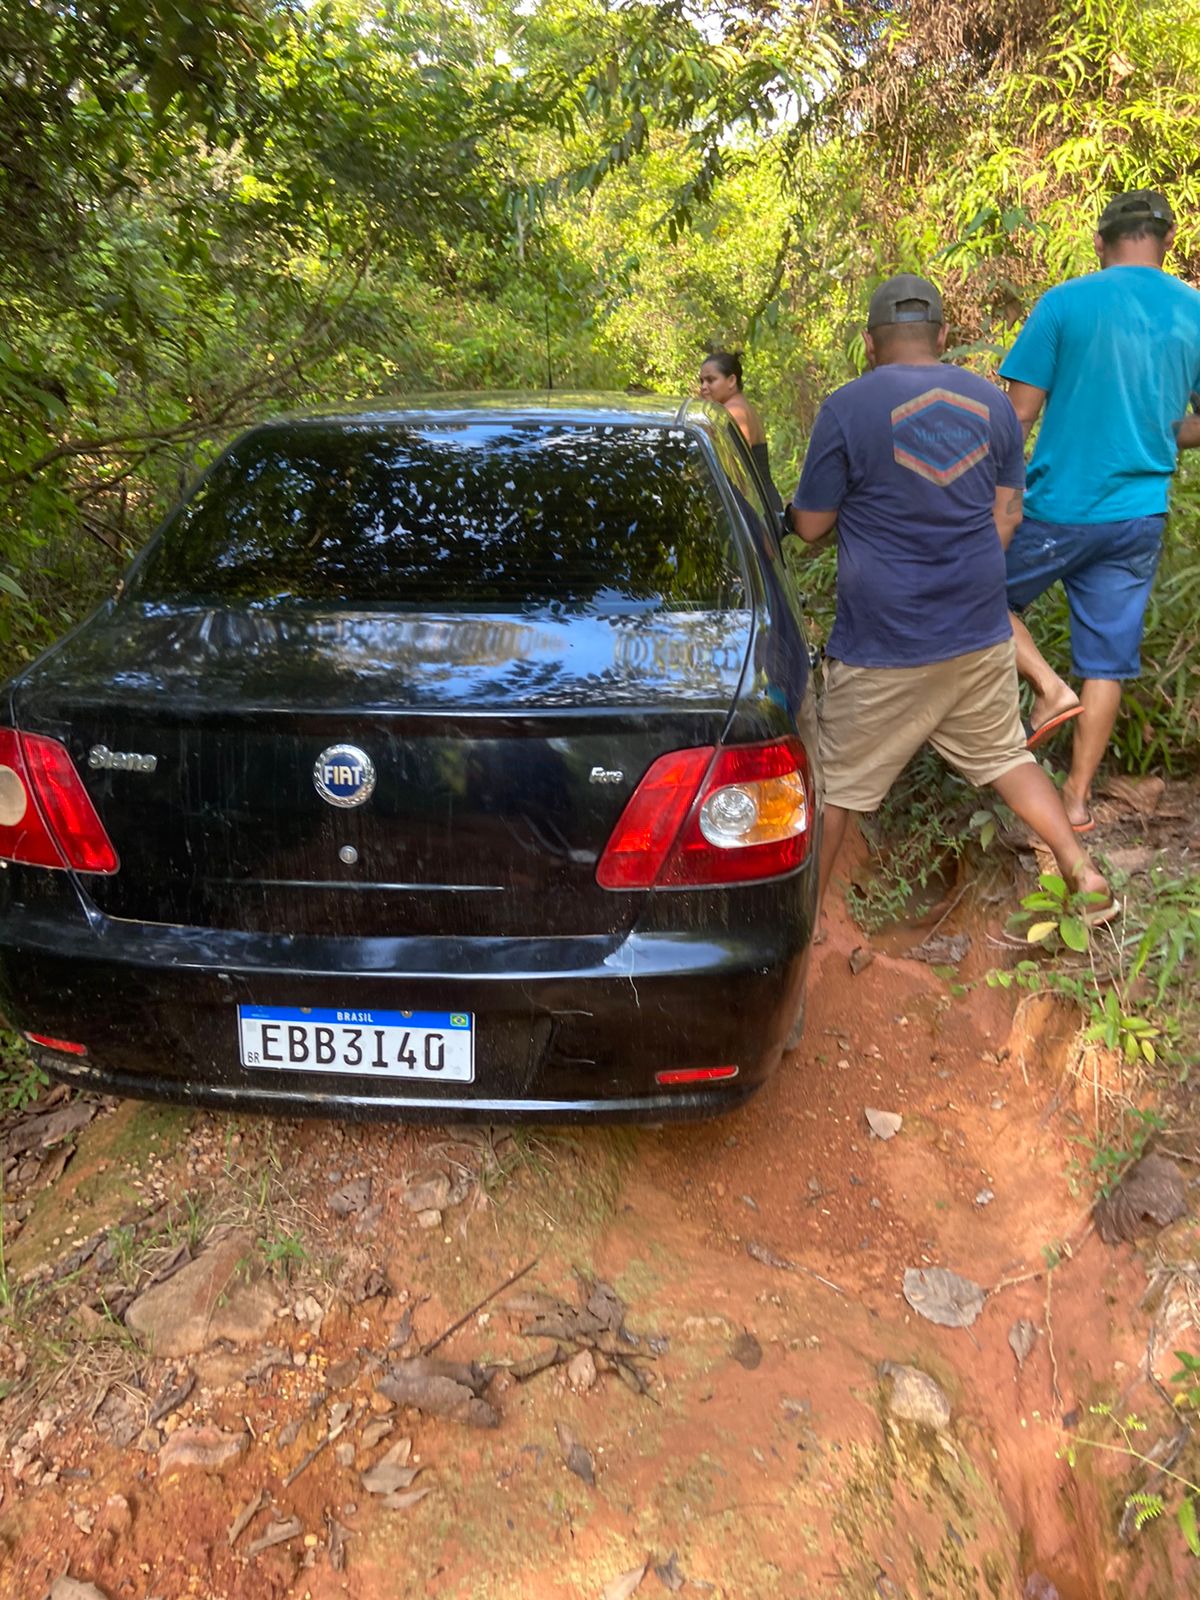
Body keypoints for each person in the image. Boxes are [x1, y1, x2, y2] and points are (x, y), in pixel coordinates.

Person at [788, 273, 1114, 924]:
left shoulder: (846, 408)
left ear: (871, 343)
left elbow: (811, 526)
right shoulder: (993, 406)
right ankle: (1084, 872)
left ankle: (803, 930)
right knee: (1004, 756)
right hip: (978, 632)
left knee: (840, 789)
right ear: (941, 336)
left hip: (884, 642)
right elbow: (1006, 518)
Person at [1000, 190, 1200, 832]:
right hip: (1139, 514)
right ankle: (1078, 799)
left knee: (972, 594)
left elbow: (1018, 417)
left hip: (1059, 507)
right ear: (1165, 241)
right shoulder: (1193, 310)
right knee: (1107, 660)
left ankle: (1046, 688)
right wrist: (1162, 433)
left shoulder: (1065, 303)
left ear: (1099, 242)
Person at [698, 349, 784, 513]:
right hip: (760, 501)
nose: (703, 387)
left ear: (731, 380)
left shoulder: (735, 411)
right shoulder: (737, 406)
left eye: (711, 380)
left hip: (755, 506)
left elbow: (738, 469)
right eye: (701, 381)